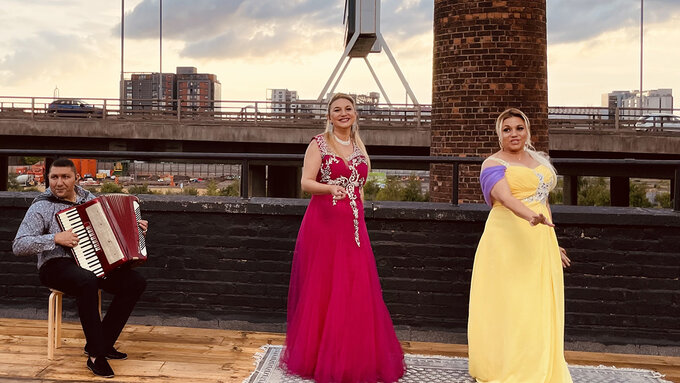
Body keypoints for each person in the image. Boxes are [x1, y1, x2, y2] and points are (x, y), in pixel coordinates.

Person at [280, 93, 405, 383]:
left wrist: (359, 219)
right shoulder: (319, 144)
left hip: (353, 227)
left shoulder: (360, 148)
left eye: (348, 108)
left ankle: (355, 355)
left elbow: (360, 188)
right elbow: (305, 183)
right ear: (330, 116)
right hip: (323, 225)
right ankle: (320, 357)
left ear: (355, 114)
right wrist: (329, 188)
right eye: (337, 110)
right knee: (326, 287)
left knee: (356, 287)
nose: (343, 113)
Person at [13, 158, 147, 378]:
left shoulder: (90, 200)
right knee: (87, 281)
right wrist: (55, 238)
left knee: (135, 282)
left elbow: (109, 232)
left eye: (65, 177)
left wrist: (135, 228)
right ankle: (96, 355)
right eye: (54, 177)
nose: (59, 182)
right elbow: (19, 245)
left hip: (91, 262)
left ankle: (102, 342)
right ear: (48, 179)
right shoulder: (41, 206)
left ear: (76, 178)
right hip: (54, 265)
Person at [467, 108, 572, 383]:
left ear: (527, 132)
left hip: (540, 238)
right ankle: (510, 367)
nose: (514, 134)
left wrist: (553, 243)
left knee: (537, 305)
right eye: (507, 129)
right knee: (513, 304)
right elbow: (505, 197)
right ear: (499, 135)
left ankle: (538, 365)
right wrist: (530, 216)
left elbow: (545, 203)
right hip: (507, 238)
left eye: (519, 128)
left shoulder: (539, 160)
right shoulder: (492, 164)